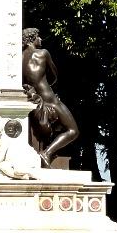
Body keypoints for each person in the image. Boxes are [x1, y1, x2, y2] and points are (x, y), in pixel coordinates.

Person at [21, 28, 79, 165]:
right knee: (73, 131)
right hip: (50, 98)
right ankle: (47, 153)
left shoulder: (19, 58)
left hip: (34, 98)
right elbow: (54, 76)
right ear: (31, 39)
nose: (40, 39)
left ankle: (47, 152)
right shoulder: (43, 53)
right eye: (38, 36)